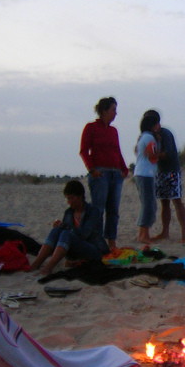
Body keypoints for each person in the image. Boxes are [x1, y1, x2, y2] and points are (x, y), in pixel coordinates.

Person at [30, 180, 109, 276]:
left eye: (71, 198)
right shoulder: (69, 212)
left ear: (79, 196)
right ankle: (36, 264)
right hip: (73, 251)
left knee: (66, 233)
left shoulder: (93, 211)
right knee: (57, 230)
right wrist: (60, 226)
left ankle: (48, 268)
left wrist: (65, 226)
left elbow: (84, 234)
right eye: (67, 199)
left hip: (93, 250)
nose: (68, 202)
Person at [79, 97, 128, 250]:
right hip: (100, 174)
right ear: (104, 111)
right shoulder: (91, 127)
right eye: (113, 110)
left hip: (115, 174)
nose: (115, 113)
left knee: (113, 211)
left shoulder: (113, 131)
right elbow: (84, 151)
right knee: (98, 210)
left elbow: (117, 152)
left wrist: (124, 169)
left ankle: (111, 241)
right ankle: (98, 241)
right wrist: (92, 169)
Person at [143, 110, 185, 243]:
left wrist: (153, 155)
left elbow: (167, 153)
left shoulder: (165, 133)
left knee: (176, 201)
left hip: (171, 171)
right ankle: (165, 232)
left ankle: (184, 233)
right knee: (164, 202)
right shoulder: (151, 136)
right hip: (160, 172)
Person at [134, 113, 160, 244]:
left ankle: (143, 233)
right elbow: (153, 155)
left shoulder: (142, 137)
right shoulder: (149, 137)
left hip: (142, 173)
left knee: (148, 204)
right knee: (149, 205)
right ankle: (143, 234)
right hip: (145, 173)